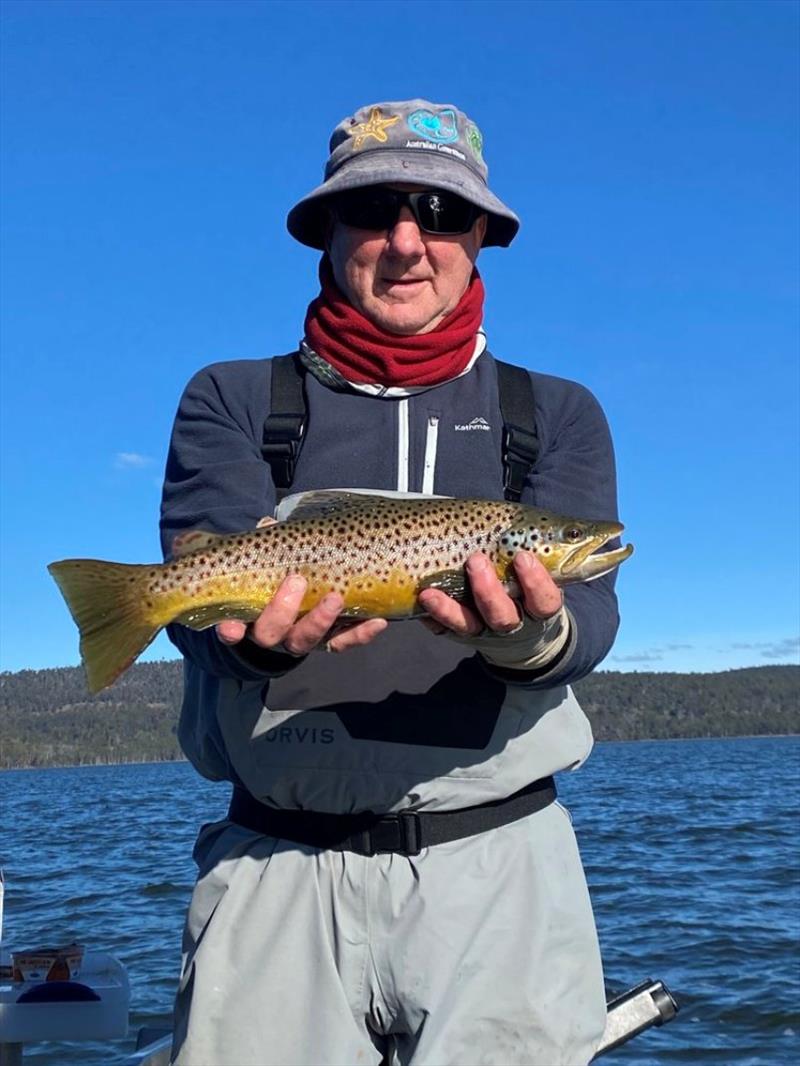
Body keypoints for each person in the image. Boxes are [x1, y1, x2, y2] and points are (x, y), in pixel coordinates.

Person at [161, 98, 622, 1066]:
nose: (407, 243)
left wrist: (524, 636)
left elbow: (586, 620)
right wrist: (250, 639)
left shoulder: (556, 411)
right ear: (324, 236)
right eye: (373, 212)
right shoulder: (230, 395)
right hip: (276, 860)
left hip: (501, 863)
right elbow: (197, 598)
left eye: (442, 215)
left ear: (482, 238)